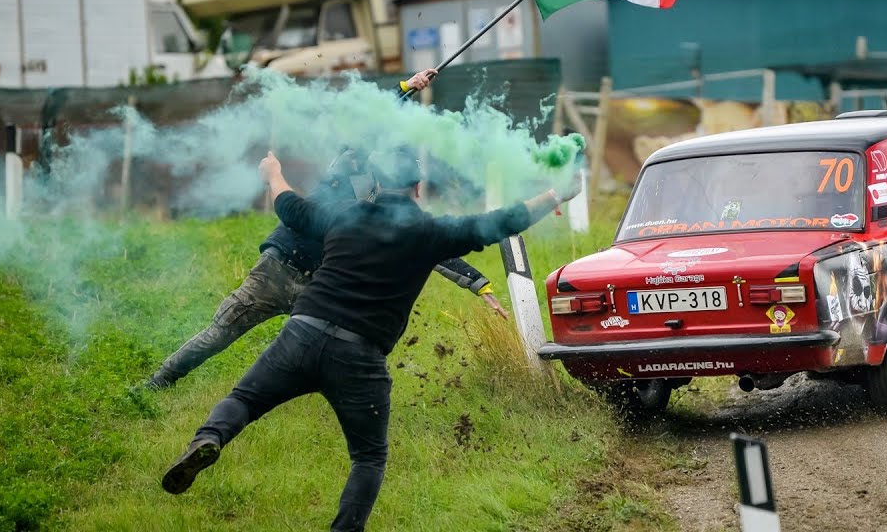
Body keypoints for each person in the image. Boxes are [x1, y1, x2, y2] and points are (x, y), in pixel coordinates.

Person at [161, 145, 580, 531]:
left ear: (376, 183)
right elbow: (500, 223)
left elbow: (289, 206)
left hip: (301, 332)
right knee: (368, 458)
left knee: (244, 400)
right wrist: (554, 194)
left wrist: (273, 173)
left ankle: (209, 438)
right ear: (418, 188)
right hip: (358, 356)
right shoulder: (431, 232)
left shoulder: (344, 215)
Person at [144, 69, 507, 390]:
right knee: (221, 332)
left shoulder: (389, 210)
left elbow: (427, 243)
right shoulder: (349, 164)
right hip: (277, 268)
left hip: (320, 286)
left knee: (338, 346)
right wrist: (406, 88)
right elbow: (372, 122)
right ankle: (160, 381)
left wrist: (478, 284)